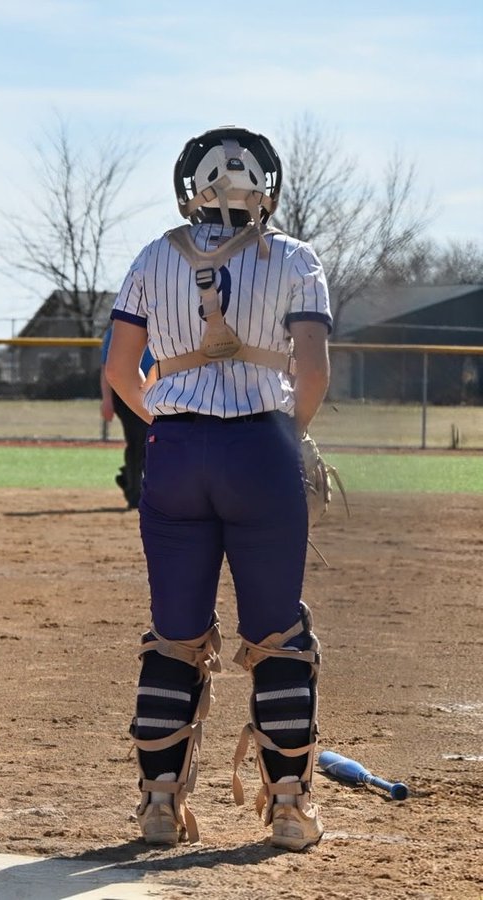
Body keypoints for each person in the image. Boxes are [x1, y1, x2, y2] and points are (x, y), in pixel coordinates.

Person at [105, 126, 332, 852]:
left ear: (189, 188)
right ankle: (291, 809)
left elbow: (118, 371)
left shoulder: (151, 256)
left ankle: (159, 807)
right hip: (262, 447)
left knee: (175, 634)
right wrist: (286, 435)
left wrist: (165, 423)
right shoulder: (296, 257)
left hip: (174, 454)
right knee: (276, 636)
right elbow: (314, 369)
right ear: (265, 188)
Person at [98, 325, 154, 509]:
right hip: (126, 392)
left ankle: (128, 477)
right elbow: (108, 367)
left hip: (158, 390)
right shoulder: (120, 326)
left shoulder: (163, 319)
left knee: (155, 441)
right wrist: (107, 400)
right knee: (139, 440)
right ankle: (135, 493)